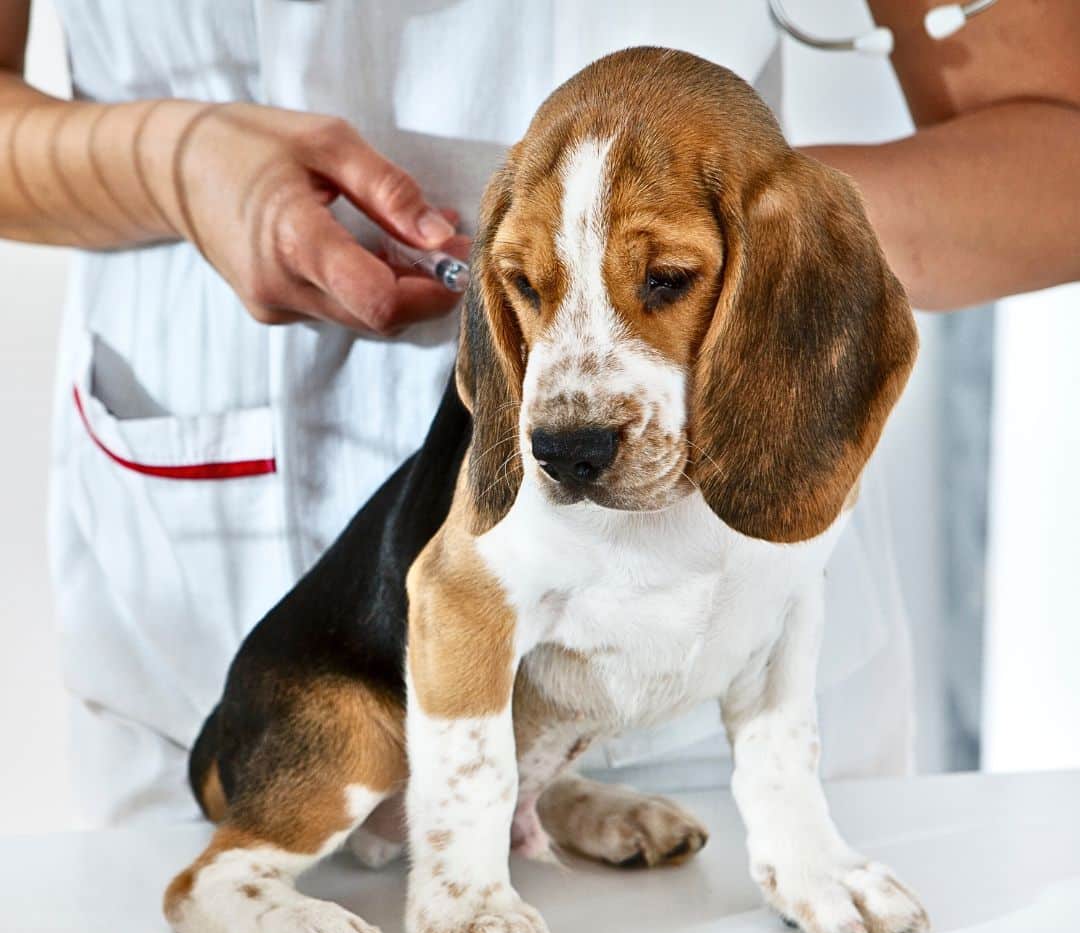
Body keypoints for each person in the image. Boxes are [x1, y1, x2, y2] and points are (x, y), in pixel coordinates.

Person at [1, 0, 1078, 826]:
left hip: (703, 684)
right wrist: (163, 163)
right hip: (203, 599)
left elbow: (1056, 143)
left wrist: (730, 238)